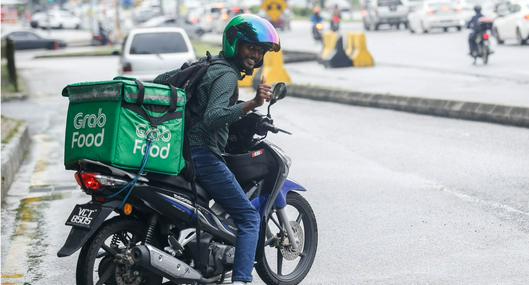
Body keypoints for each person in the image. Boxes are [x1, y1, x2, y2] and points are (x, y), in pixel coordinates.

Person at [188, 14, 280, 285]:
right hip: (203, 154)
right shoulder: (226, 76)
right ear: (235, 45)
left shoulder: (208, 66)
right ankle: (241, 280)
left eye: (260, 50)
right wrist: (251, 104)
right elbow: (214, 117)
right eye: (251, 47)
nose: (256, 55)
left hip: (184, 153)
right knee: (249, 218)